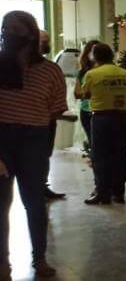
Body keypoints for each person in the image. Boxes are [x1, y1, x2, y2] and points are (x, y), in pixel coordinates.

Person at [0, 11, 67, 281]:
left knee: (35, 202)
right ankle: (2, 263)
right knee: (1, 203)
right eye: (4, 28)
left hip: (35, 139)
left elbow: (54, 110)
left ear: (29, 33)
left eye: (13, 29)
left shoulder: (51, 70)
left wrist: (39, 140)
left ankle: (39, 258)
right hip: (1, 140)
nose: (7, 34)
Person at [81, 43, 126, 205]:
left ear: (95, 57)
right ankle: (118, 193)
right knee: (120, 155)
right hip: (122, 118)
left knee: (101, 156)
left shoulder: (92, 74)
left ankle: (102, 193)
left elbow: (83, 94)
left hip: (102, 118)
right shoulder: (125, 73)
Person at [37, 30, 66, 201]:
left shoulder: (51, 69)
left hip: (47, 123)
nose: (46, 45)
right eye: (42, 41)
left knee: (45, 155)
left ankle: (42, 185)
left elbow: (58, 100)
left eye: (47, 41)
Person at [73, 40, 100, 197]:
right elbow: (77, 94)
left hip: (103, 112)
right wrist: (88, 93)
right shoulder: (83, 72)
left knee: (104, 149)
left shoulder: (109, 71)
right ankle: (99, 184)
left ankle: (106, 184)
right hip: (88, 112)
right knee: (95, 148)